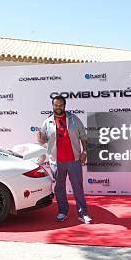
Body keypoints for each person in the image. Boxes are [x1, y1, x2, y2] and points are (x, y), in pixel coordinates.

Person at [37, 95, 92, 223]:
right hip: (56, 162)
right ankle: (62, 211)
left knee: (78, 187)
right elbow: (43, 140)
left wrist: (85, 152)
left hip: (74, 160)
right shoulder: (47, 121)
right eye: (56, 105)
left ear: (65, 105)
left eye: (61, 105)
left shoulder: (74, 119)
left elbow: (83, 137)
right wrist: (40, 138)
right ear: (52, 106)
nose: (58, 107)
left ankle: (82, 213)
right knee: (59, 188)